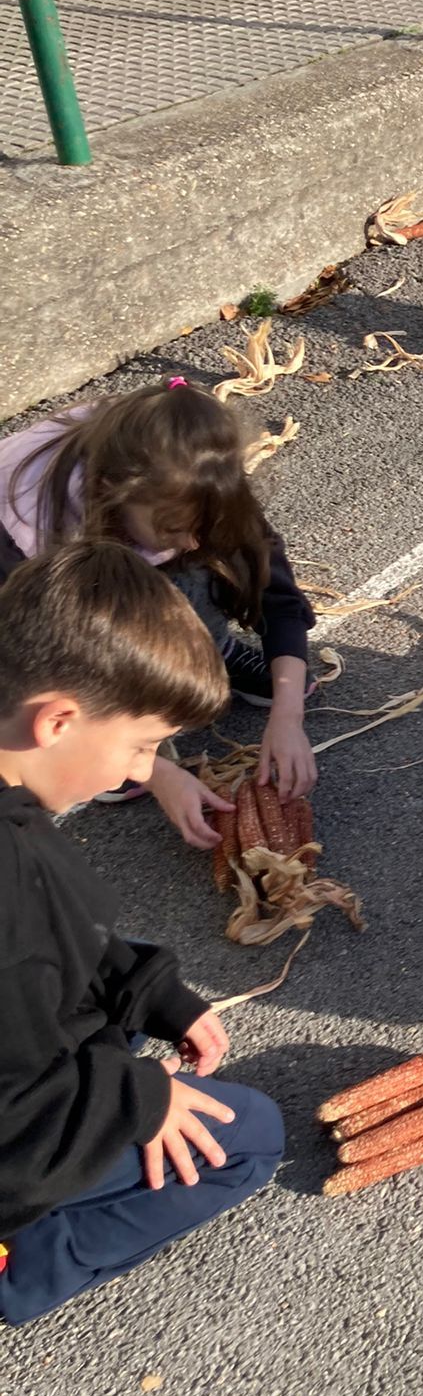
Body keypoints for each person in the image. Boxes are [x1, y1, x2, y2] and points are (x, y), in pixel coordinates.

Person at [0, 542, 285, 1326]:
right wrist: (136, 1098)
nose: (137, 774)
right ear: (57, 720)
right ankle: (22, 1265)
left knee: (134, 1062)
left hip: (40, 1062)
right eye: (140, 747)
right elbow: (14, 1100)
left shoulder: (18, 804)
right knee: (251, 1136)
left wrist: (150, 992)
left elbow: (67, 940)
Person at [0, 379, 316, 846]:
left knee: (202, 565)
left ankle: (214, 649)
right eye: (173, 528)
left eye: (201, 528)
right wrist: (154, 770)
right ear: (112, 493)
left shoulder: (194, 475)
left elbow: (277, 593)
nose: (190, 542)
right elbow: (32, 673)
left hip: (113, 530)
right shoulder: (25, 540)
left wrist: (287, 717)